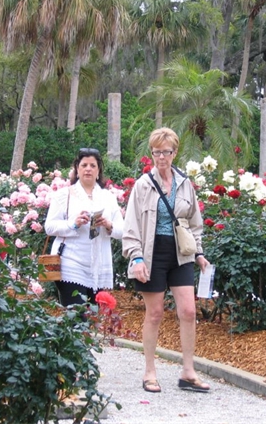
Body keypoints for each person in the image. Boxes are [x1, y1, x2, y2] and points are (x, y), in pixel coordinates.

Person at [123, 127, 211, 394]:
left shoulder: (185, 183)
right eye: (156, 152)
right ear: (151, 153)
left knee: (188, 311)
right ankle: (149, 372)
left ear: (175, 153)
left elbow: (194, 223)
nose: (161, 157)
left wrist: (198, 252)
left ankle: (188, 372)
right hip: (152, 254)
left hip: (180, 254)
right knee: (155, 313)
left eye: (166, 152)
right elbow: (131, 226)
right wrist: (136, 257)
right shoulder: (143, 185)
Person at [44, 148, 124, 306]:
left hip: (99, 267)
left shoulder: (108, 197)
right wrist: (74, 223)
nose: (88, 169)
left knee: (94, 319)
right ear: (77, 169)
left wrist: (109, 225)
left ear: (99, 170)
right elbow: (49, 227)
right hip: (70, 263)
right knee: (77, 318)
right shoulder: (64, 195)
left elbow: (122, 230)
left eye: (93, 166)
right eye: (84, 165)